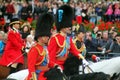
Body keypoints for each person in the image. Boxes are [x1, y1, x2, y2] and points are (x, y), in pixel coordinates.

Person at [48, 5, 88, 71]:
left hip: (66, 66)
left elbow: (75, 51)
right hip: (56, 67)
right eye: (67, 26)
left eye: (70, 25)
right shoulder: (54, 39)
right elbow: (50, 58)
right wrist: (56, 67)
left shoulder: (68, 39)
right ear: (62, 26)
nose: (69, 27)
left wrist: (82, 59)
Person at [26, 13, 54, 80]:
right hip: (38, 74)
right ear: (40, 37)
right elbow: (31, 66)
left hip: (46, 73)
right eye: (46, 36)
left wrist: (55, 65)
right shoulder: (34, 49)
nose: (48, 38)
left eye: (48, 36)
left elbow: (47, 61)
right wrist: (33, 77)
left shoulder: (44, 47)